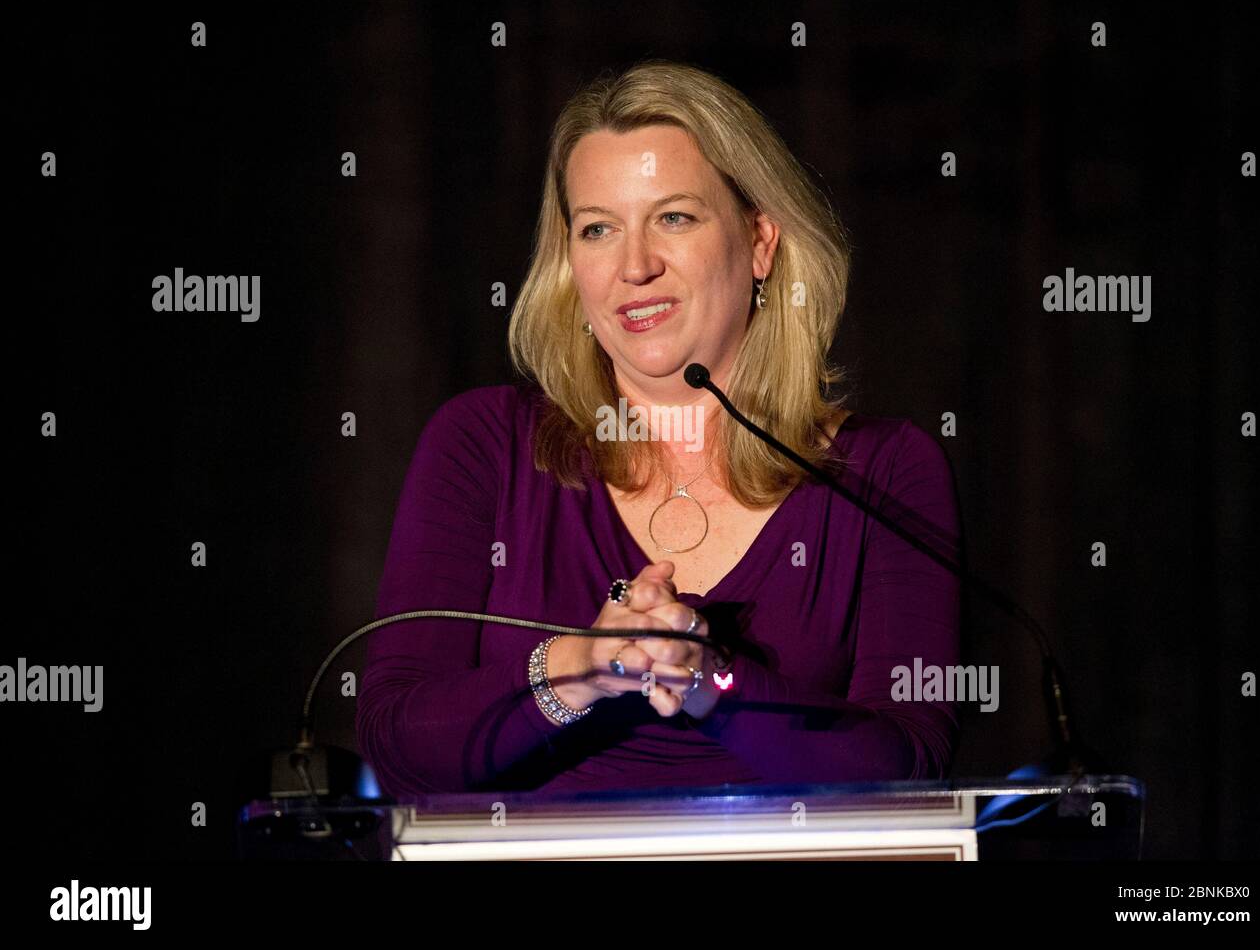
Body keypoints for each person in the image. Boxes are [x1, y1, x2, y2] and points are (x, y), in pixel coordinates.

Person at [356, 59, 960, 797]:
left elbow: (909, 764)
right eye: (598, 228)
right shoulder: (482, 444)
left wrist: (712, 682)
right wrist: (580, 668)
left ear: (761, 242)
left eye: (674, 217)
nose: (633, 266)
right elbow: (397, 744)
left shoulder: (886, 472)